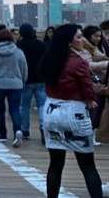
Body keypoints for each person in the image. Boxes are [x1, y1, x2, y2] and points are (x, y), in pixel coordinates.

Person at [39, 24, 102, 198]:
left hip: (51, 110)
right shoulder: (78, 63)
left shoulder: (49, 59)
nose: (82, 40)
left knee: (56, 164)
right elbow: (87, 88)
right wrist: (90, 100)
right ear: (69, 41)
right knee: (87, 165)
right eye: (79, 37)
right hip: (74, 112)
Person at [0, 29, 28, 146]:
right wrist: (22, 81)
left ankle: (2, 135)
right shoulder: (18, 52)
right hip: (15, 84)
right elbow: (24, 68)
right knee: (14, 109)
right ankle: (17, 130)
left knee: (0, 109)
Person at [16, 23, 48, 144]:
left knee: (24, 106)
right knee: (42, 105)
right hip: (40, 79)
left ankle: (25, 130)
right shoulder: (42, 45)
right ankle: (43, 127)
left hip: (24, 79)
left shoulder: (18, 46)